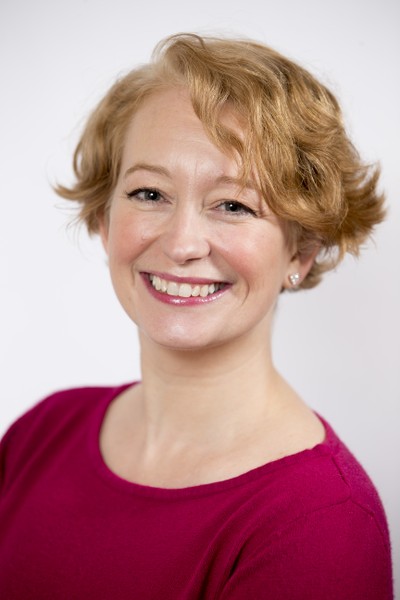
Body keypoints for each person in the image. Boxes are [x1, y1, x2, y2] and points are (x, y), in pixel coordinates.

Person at [0, 33, 393, 599]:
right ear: (104, 220)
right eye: (149, 194)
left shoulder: (321, 523)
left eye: (233, 204)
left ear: (301, 252)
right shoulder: (40, 435)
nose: (182, 243)